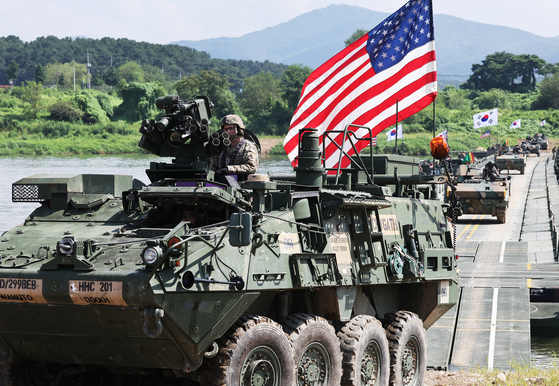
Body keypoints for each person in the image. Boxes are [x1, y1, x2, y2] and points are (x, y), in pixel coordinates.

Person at [210, 114, 259, 182]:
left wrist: (229, 169)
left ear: (238, 129)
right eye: (225, 129)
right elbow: (212, 167)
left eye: (230, 128)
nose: (228, 132)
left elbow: (252, 167)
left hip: (241, 187)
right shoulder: (222, 148)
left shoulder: (248, 147)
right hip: (220, 186)